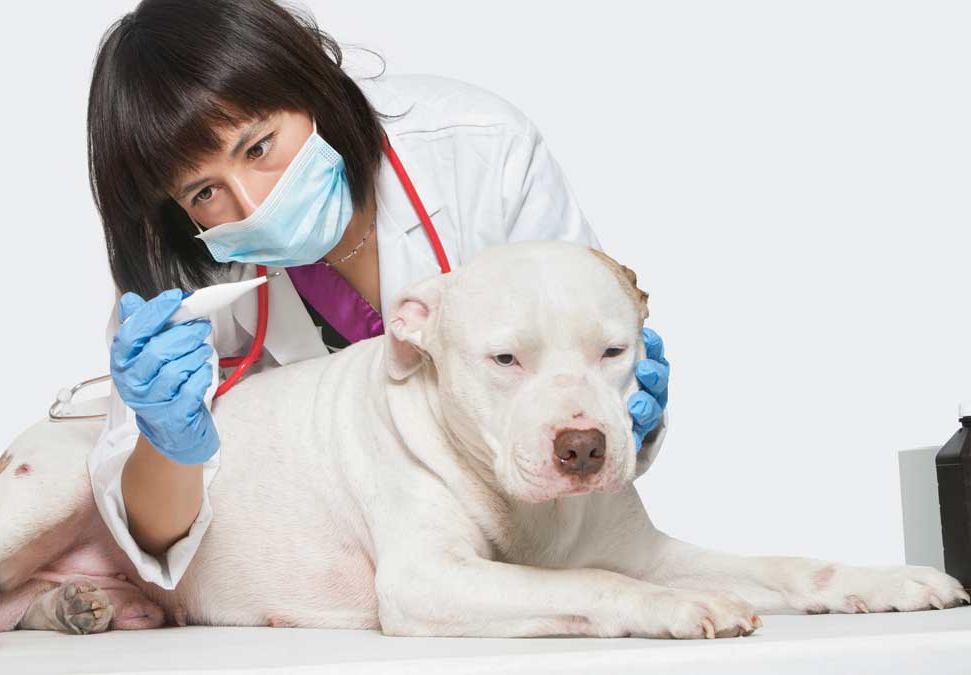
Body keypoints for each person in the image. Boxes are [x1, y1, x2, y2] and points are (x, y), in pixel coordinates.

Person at [86, 0, 670, 591]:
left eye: (258, 147)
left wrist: (626, 415)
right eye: (205, 191)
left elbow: (590, 378)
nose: (251, 205)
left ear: (310, 81)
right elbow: (155, 536)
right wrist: (170, 443)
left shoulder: (479, 151)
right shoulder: (179, 278)